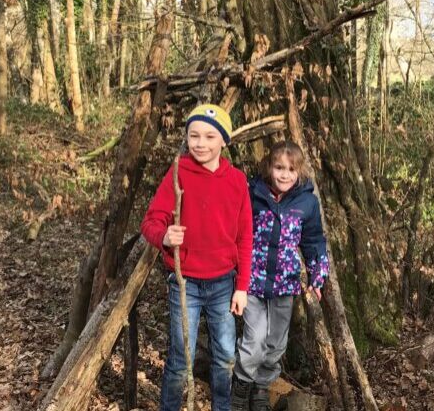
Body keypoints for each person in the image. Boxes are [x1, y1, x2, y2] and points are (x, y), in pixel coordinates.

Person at [141, 104, 254, 411]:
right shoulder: (178, 173)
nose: (200, 143)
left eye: (209, 136)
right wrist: (164, 236)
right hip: (185, 283)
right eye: (194, 135)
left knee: (225, 357)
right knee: (180, 359)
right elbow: (151, 221)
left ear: (223, 141)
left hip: (223, 283)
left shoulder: (236, 181)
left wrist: (242, 286)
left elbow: (245, 237)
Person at [231, 141, 330, 411]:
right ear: (269, 167)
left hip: (284, 285)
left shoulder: (306, 202)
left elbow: (313, 241)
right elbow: (236, 231)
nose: (284, 174)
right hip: (251, 282)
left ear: (299, 172)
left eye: (290, 169)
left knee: (275, 343)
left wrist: (317, 276)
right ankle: (241, 388)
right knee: (254, 339)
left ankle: (261, 389)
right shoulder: (254, 194)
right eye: (279, 168)